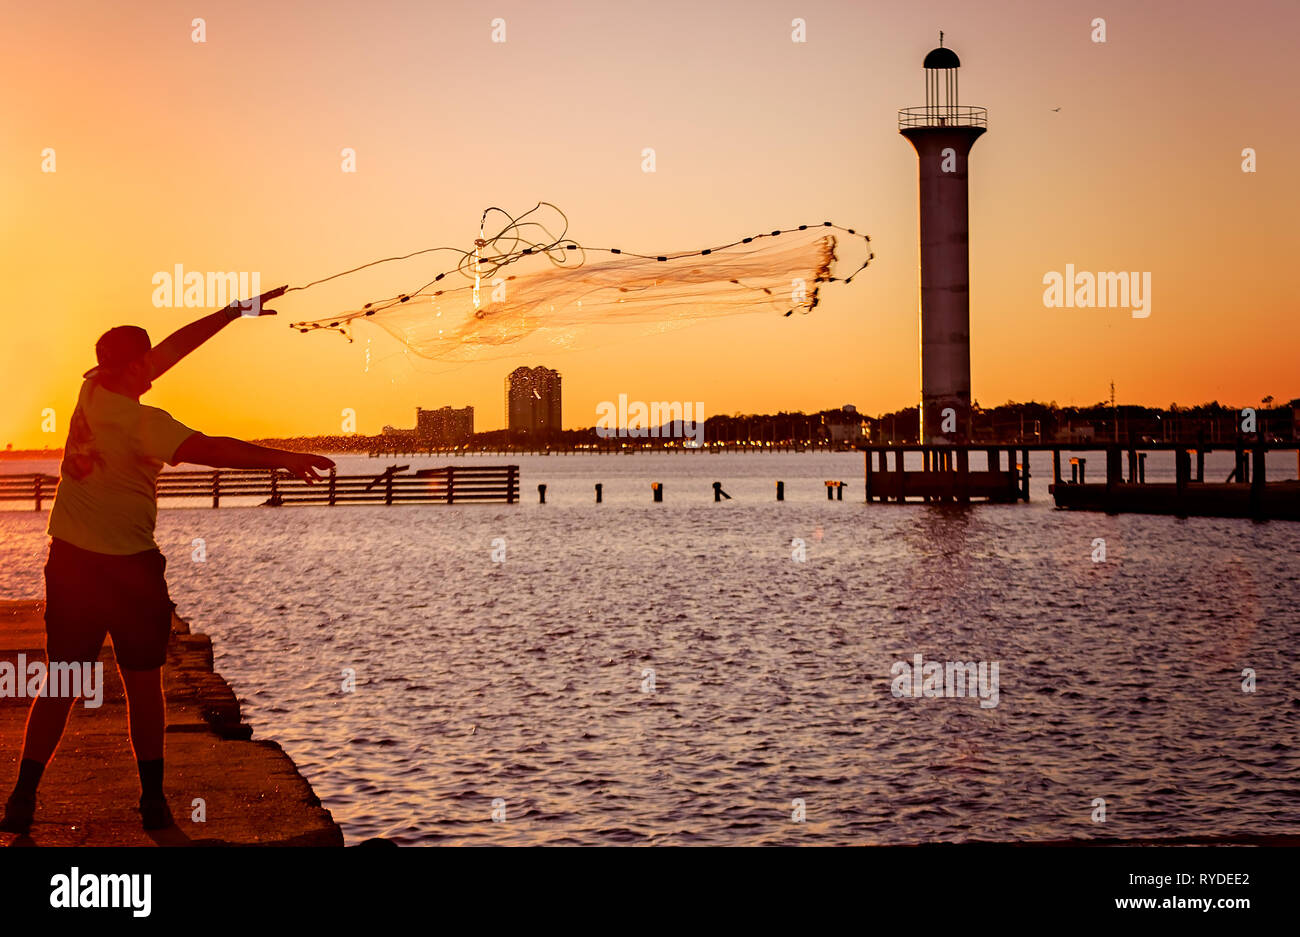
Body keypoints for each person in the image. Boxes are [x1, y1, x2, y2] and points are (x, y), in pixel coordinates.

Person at [0, 289, 335, 834]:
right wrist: (285, 459)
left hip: (70, 565)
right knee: (143, 684)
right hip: (128, 571)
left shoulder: (90, 389)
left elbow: (173, 350)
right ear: (132, 366)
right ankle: (153, 804)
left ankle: (22, 799)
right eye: (146, 364)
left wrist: (230, 314)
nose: (156, 371)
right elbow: (217, 449)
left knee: (60, 682)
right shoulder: (142, 423)